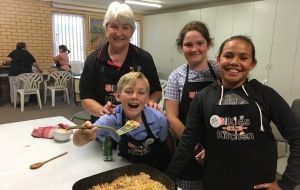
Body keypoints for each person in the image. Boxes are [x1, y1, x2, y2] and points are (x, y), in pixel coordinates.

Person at [165, 35, 300, 190]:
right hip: (215, 182)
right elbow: (187, 142)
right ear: (218, 59)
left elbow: (297, 135)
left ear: (252, 63)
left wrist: (286, 182)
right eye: (228, 55)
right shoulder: (203, 97)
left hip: (258, 184)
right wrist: (166, 178)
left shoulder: (265, 95)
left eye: (243, 57)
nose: (234, 62)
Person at [79, 1, 162, 123]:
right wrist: (103, 112)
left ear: (132, 31)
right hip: (105, 126)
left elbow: (156, 90)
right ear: (106, 29)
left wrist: (150, 102)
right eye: (114, 26)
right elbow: (86, 97)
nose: (119, 32)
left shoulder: (144, 58)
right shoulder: (93, 60)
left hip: (137, 125)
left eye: (125, 27)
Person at [73, 72, 172, 171]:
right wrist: (83, 134)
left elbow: (166, 142)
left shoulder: (158, 119)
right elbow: (77, 142)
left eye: (141, 93)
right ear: (118, 96)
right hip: (126, 168)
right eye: (128, 91)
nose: (134, 96)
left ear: (146, 98)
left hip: (156, 170)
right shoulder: (112, 118)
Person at [164, 21, 219, 189]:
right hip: (188, 151)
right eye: (188, 44)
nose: (194, 49)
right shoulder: (176, 77)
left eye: (200, 43)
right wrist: (196, 148)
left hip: (219, 149)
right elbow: (172, 118)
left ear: (208, 44)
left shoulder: (220, 71)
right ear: (181, 47)